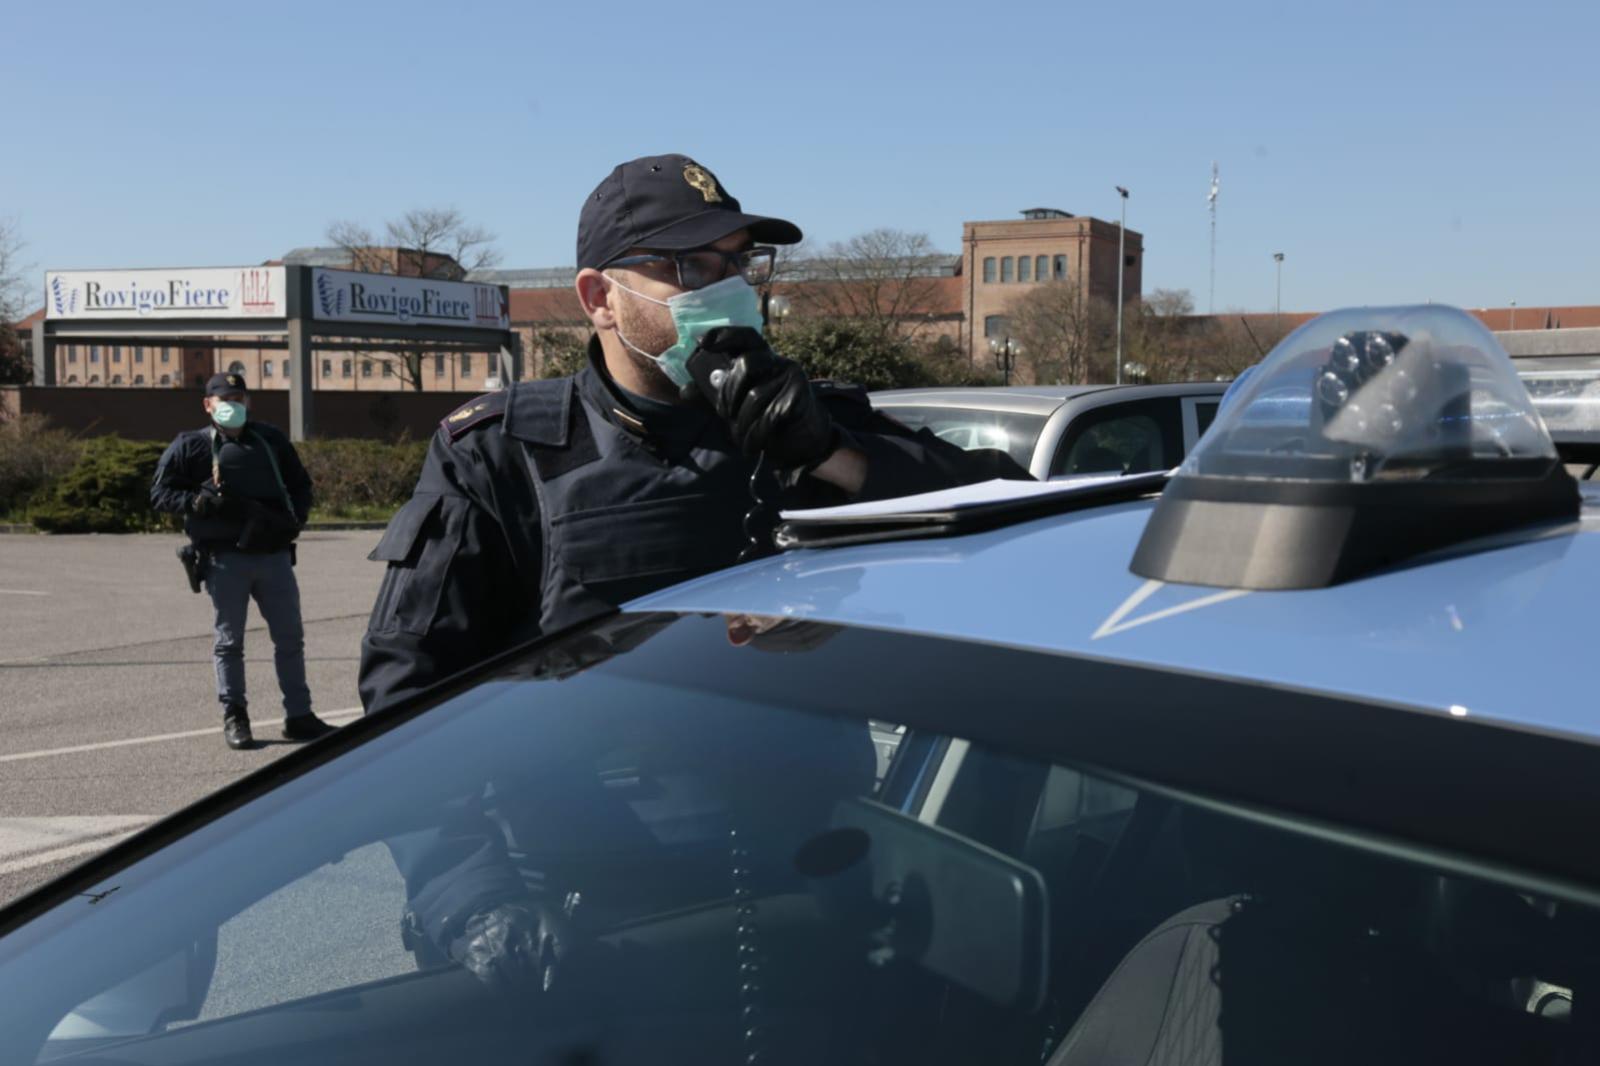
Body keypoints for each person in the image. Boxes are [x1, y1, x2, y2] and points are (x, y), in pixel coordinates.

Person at [359, 153, 1027, 714]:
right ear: (600, 299)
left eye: (740, 264)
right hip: (588, 845)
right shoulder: (500, 453)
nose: (731, 288)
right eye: (690, 267)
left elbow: (1021, 516)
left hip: (807, 825)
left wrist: (834, 455)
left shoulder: (806, 422)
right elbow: (405, 695)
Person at [150, 372, 336, 750]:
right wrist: (195, 503)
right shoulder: (192, 446)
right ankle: (235, 717)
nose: (232, 404)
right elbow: (159, 492)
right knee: (229, 642)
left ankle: (299, 715)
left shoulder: (270, 440)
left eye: (238, 397)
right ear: (207, 404)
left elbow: (300, 483)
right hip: (225, 558)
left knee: (290, 638)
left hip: (274, 555)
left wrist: (295, 518)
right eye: (223, 398)